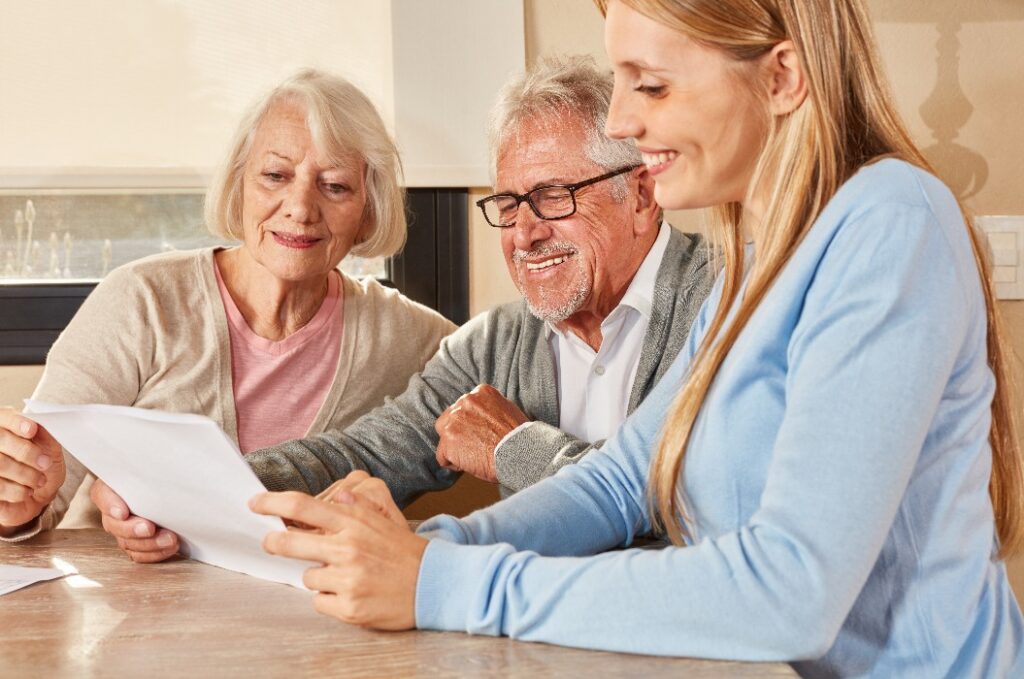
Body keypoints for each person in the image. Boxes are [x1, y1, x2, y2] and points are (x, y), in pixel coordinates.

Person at [250, 1, 1024, 676]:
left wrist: (444, 580)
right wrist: (433, 545)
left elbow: (792, 589)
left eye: (651, 84)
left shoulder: (889, 222)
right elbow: (623, 481)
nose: (622, 121)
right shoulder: (752, 268)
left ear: (782, 78)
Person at [0, 69, 455, 562]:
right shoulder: (142, 300)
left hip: (320, 616)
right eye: (276, 176)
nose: (301, 207)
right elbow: (38, 494)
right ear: (239, 186)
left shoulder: (412, 338)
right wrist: (19, 499)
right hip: (129, 610)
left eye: (336, 186)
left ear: (369, 210)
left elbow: (511, 379)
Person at [245, 55, 712, 503]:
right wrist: (201, 490)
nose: (524, 235)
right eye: (508, 205)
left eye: (553, 196)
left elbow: (698, 503)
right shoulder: (494, 344)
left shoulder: (735, 300)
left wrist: (516, 449)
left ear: (641, 198)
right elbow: (365, 455)